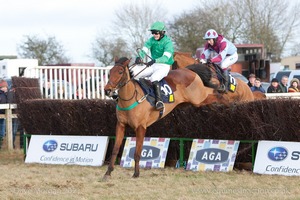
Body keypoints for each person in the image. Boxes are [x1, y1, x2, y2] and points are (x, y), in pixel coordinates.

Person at [133, 21, 174, 110]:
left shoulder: (168, 42)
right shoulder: (151, 40)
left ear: (162, 32)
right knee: (135, 72)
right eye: (153, 33)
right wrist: (139, 57)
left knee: (154, 78)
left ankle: (159, 101)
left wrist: (155, 60)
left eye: (156, 33)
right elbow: (144, 50)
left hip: (164, 66)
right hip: (153, 65)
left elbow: (166, 58)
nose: (154, 35)